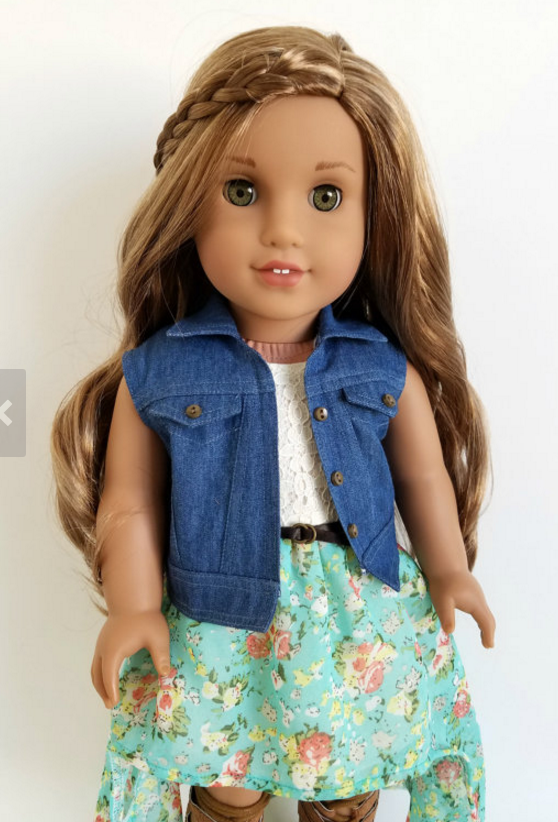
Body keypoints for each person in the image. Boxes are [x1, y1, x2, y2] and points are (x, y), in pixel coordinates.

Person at [50, 25, 496, 822]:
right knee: (227, 767)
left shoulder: (382, 370)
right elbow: (131, 503)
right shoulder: (160, 373)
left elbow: (424, 475)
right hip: (219, 610)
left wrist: (450, 569)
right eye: (242, 191)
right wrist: (134, 607)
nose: (284, 231)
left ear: (374, 216)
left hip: (356, 606)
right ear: (188, 203)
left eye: (326, 198)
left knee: (351, 756)